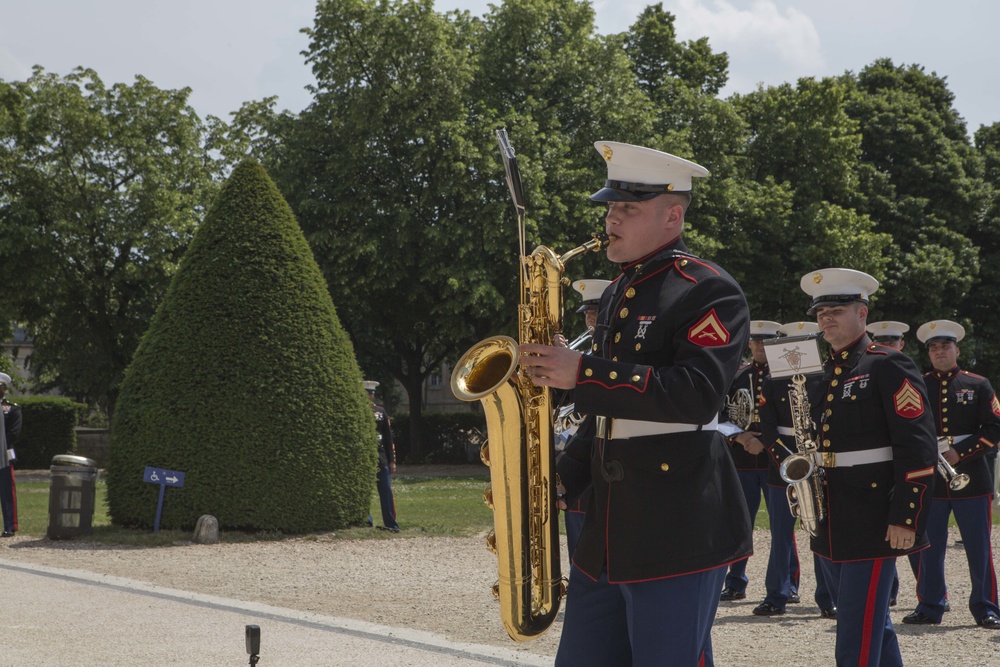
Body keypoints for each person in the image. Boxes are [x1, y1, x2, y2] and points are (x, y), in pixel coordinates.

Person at [520, 141, 752, 666]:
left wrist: (581, 370)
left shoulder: (708, 290)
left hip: (677, 522)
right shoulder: (620, 291)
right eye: (610, 207)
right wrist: (563, 474)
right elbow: (608, 414)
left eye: (627, 208)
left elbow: (696, 395)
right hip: (607, 527)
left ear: (673, 215)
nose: (611, 219)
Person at [799, 268, 937, 666]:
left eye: (836, 309)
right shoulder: (827, 372)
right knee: (872, 623)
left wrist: (906, 515)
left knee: (856, 628)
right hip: (836, 513)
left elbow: (918, 445)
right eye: (821, 311)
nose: (826, 318)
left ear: (862, 313)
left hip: (876, 515)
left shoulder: (888, 364)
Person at [902, 320, 1000, 629]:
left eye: (945, 346)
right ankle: (930, 605)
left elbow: (995, 426)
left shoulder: (978, 384)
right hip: (931, 478)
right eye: (933, 348)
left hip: (971, 476)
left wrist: (962, 452)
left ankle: (986, 607)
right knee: (929, 545)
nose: (939, 352)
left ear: (957, 349)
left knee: (978, 545)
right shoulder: (918, 384)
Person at [756, 321, 837, 619]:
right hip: (784, 464)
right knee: (780, 534)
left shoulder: (827, 377)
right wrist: (786, 462)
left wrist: (818, 460)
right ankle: (776, 594)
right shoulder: (770, 381)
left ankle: (827, 596)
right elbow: (767, 428)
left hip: (817, 459)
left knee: (821, 531)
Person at [718, 320, 801, 606]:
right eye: (756, 341)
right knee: (739, 523)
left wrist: (762, 442)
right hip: (741, 459)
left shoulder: (787, 376)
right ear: (750, 343)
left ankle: (788, 584)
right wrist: (740, 438)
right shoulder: (737, 375)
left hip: (776, 459)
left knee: (783, 525)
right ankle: (736, 581)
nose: (760, 346)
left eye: (766, 341)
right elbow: (718, 416)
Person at [867, 320, 920, 607]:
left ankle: (932, 598)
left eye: (892, 340)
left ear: (902, 344)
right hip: (875, 474)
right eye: (881, 340)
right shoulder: (864, 371)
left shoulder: (903, 371)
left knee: (915, 541)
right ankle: (890, 594)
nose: (886, 345)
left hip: (906, 470)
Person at [557, 278, 611, 557]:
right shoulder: (580, 356)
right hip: (576, 453)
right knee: (577, 549)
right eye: (587, 313)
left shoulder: (612, 361)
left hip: (604, 457)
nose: (590, 318)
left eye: (597, 311)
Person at [364, 380, 399, 533]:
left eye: (371, 393)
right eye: (367, 393)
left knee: (386, 492)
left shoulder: (380, 412)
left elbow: (388, 438)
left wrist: (392, 461)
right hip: (364, 458)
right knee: (364, 492)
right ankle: (366, 521)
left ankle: (390, 523)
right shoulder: (356, 411)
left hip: (381, 458)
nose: (369, 396)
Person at [0, 372, 23, 537]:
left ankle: (9, 525)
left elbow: (14, 432)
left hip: (5, 453)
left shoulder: (12, 408)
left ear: (4, 388)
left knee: (7, 491)